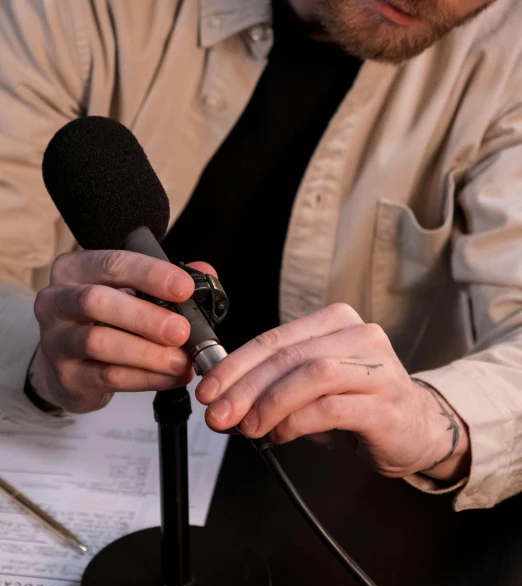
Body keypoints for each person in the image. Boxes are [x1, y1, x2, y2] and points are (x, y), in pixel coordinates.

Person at [0, 0, 520, 512]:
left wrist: (433, 420)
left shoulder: (510, 53)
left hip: (361, 509)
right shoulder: (73, 11)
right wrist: (36, 362)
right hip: (71, 454)